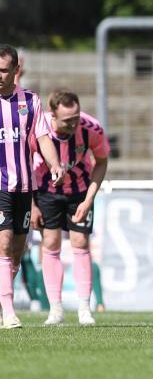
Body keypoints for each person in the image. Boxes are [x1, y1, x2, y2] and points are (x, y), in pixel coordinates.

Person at [31, 89, 110, 326]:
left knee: (80, 243)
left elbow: (102, 162)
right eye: (67, 120)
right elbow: (24, 162)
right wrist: (33, 204)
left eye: (76, 116)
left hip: (80, 192)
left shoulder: (91, 128)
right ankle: (56, 309)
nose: (74, 123)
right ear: (53, 115)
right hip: (46, 192)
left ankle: (85, 309)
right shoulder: (37, 128)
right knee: (51, 244)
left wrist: (89, 200)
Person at [0, 45, 64, 329]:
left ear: (16, 70)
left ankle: (3, 301)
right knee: (3, 245)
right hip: (0, 185)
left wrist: (54, 164)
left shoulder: (31, 101)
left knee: (16, 251)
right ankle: (9, 311)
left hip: (25, 188)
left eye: (3, 70)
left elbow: (42, 137)